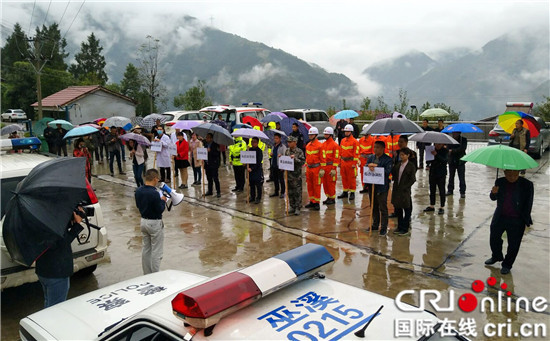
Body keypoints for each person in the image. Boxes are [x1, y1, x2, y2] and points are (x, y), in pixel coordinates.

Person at [485, 169, 533, 274]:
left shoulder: (527, 184)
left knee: (514, 244)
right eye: (509, 174)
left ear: (519, 173)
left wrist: (525, 220)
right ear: (505, 173)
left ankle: (507, 264)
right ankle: (496, 256)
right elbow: (493, 198)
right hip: (500, 216)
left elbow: (528, 204)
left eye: (514, 174)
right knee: (494, 237)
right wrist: (493, 193)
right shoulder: (500, 181)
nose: (512, 177)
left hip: (517, 219)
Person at [35, 208, 84, 308]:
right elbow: (61, 243)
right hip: (56, 271)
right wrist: (77, 225)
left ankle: (45, 322)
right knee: (56, 309)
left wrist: (70, 222)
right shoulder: (52, 218)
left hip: (43, 269)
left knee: (49, 303)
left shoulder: (37, 214)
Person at [135, 169, 167, 274]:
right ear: (154, 179)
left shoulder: (139, 190)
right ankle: (156, 274)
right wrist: (163, 200)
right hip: (154, 223)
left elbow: (138, 205)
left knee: (146, 249)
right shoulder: (154, 193)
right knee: (156, 251)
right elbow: (160, 209)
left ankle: (147, 273)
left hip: (143, 221)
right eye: (157, 179)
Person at [366, 141, 393, 235]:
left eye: (377, 147)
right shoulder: (371, 157)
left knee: (383, 207)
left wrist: (377, 167)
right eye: (374, 147)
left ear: (382, 148)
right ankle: (375, 224)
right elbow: (366, 167)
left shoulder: (388, 159)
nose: (375, 149)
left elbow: (387, 171)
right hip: (372, 186)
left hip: (382, 187)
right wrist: (369, 166)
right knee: (373, 206)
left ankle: (384, 227)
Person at [391, 148, 417, 235]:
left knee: (406, 208)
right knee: (398, 208)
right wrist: (393, 159)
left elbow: (413, 179)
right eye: (400, 155)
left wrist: (405, 187)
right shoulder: (398, 164)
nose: (401, 156)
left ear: (408, 155)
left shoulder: (411, 166)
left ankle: (405, 228)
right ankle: (399, 226)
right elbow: (393, 173)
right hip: (397, 189)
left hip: (404, 190)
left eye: (403, 155)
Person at [424, 143, 448, 214]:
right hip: (433, 172)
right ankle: (432, 205)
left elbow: (445, 161)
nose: (437, 146)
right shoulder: (432, 149)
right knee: (432, 189)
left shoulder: (445, 151)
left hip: (441, 173)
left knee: (441, 190)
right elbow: (428, 161)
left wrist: (436, 155)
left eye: (439, 144)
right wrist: (428, 156)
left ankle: (442, 206)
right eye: (436, 144)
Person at [304, 127, 325, 210]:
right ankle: (312, 201)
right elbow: (307, 157)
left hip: (316, 168)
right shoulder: (308, 145)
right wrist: (306, 167)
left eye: (312, 134)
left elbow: (323, 158)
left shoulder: (320, 145)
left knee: (316, 185)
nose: (310, 136)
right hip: (309, 168)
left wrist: (322, 169)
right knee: (310, 185)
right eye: (309, 134)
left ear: (316, 135)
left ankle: (317, 202)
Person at [337, 124, 359, 200]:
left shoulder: (355, 141)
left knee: (352, 178)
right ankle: (345, 191)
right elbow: (340, 151)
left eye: (347, 131)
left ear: (351, 132)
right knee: (344, 177)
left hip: (350, 162)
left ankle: (352, 192)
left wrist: (354, 163)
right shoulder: (343, 141)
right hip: (343, 162)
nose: (346, 133)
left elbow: (356, 153)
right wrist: (339, 162)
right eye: (345, 131)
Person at [285, 136, 306, 215]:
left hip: (296, 175)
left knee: (297, 192)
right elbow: (285, 161)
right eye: (288, 142)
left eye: (290, 142)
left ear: (295, 142)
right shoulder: (287, 151)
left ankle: (298, 207)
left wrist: (295, 159)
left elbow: (302, 162)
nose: (289, 144)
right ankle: (292, 206)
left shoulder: (299, 151)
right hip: (289, 175)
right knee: (290, 192)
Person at [321, 127, 339, 205]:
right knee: (325, 183)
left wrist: (334, 169)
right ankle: (328, 197)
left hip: (331, 167)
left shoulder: (335, 145)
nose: (325, 135)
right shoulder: (323, 144)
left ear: (330, 134)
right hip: (325, 167)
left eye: (326, 134)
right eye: (324, 133)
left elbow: (336, 157)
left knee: (331, 183)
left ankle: (332, 198)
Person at [447, 131, 467, 198]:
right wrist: (449, 151)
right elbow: (447, 148)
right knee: (451, 176)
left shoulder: (463, 140)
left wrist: (452, 151)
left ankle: (462, 192)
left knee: (461, 177)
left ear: (459, 133)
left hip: (460, 161)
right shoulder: (450, 139)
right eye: (453, 133)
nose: (454, 134)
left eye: (455, 133)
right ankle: (450, 190)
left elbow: (462, 148)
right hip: (452, 160)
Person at [269, 133, 287, 198]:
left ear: (280, 139)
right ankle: (276, 191)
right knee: (275, 179)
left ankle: (282, 192)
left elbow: (285, 156)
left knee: (281, 180)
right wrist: (271, 154)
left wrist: (281, 156)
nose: (275, 139)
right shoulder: (273, 146)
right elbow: (272, 153)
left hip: (280, 165)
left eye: (277, 138)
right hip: (274, 165)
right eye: (274, 138)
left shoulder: (283, 146)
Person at [248, 137, 264, 204]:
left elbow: (258, 162)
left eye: (254, 142)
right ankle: (252, 196)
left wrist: (252, 168)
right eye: (252, 142)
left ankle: (258, 198)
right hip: (250, 170)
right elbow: (247, 159)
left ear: (257, 143)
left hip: (257, 170)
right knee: (251, 184)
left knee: (258, 185)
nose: (252, 143)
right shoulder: (250, 150)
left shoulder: (259, 151)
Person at [204, 133, 221, 197]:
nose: (207, 139)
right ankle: (210, 191)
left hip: (214, 164)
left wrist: (210, 151)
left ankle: (218, 192)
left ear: (211, 138)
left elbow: (217, 154)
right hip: (207, 164)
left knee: (215, 179)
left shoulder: (215, 145)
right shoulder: (205, 144)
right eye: (206, 137)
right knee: (209, 178)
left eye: (208, 137)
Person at [358, 127, 374, 193]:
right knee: (362, 174)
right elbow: (358, 150)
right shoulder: (361, 140)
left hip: (368, 159)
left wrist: (372, 160)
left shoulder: (372, 140)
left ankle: (368, 187)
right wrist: (358, 159)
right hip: (362, 159)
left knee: (369, 173)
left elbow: (373, 151)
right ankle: (364, 187)